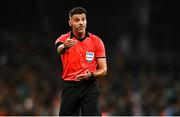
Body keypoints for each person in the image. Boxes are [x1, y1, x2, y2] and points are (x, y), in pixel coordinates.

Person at [55, 6, 107, 116]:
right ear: (70, 22)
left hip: (89, 86)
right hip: (70, 87)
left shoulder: (96, 41)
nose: (81, 23)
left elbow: (103, 70)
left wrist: (91, 74)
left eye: (83, 19)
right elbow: (59, 49)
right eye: (77, 20)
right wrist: (65, 46)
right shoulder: (63, 39)